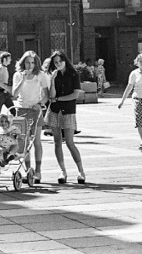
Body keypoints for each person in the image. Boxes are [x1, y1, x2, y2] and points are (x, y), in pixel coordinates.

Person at [47, 51, 86, 184]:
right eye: (55, 62)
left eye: (60, 61)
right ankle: (62, 171)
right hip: (54, 111)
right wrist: (52, 80)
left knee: (69, 142)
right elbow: (51, 96)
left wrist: (58, 98)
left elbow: (75, 95)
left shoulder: (73, 74)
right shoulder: (53, 75)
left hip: (68, 110)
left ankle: (81, 171)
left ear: (65, 61)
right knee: (57, 142)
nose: (58, 64)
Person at [12, 50, 49, 183]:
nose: (30, 65)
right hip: (21, 110)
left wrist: (39, 104)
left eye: (32, 62)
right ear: (23, 63)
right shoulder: (17, 75)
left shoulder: (40, 75)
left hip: (35, 109)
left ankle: (38, 171)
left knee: (36, 141)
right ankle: (28, 170)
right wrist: (22, 80)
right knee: (24, 141)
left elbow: (46, 95)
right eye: (27, 62)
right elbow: (14, 95)